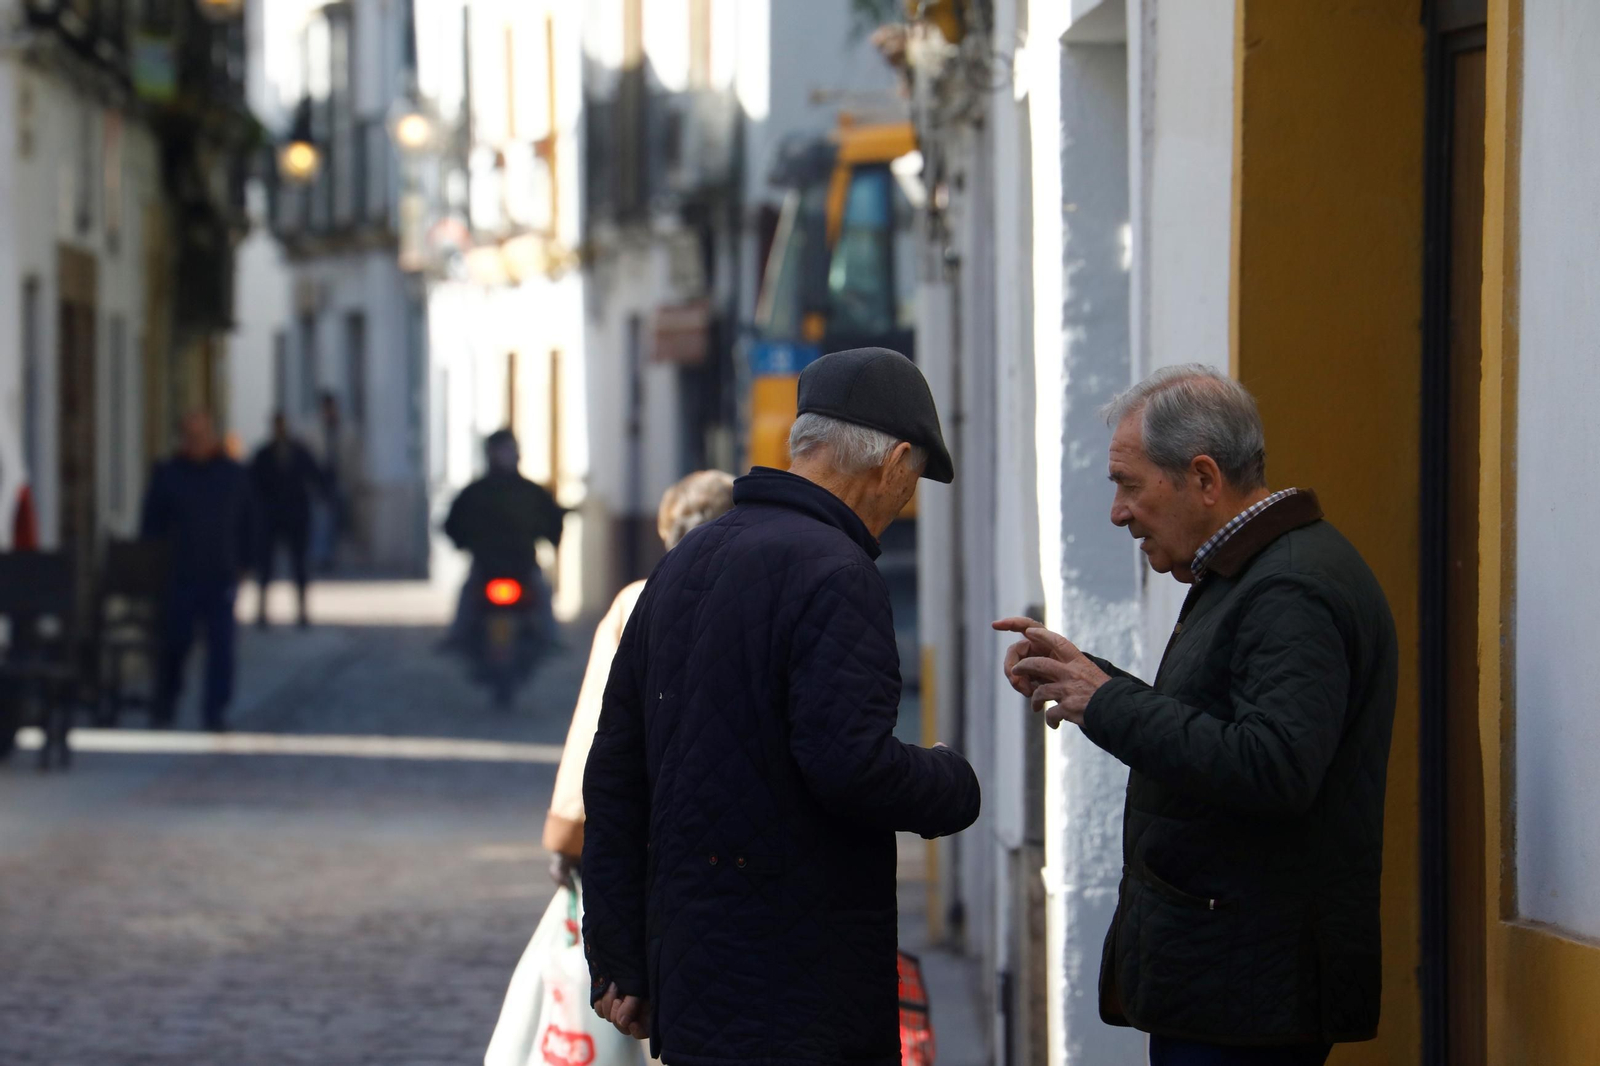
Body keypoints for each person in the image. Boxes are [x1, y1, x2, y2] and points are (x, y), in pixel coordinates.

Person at [583, 347, 982, 1064]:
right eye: (915, 477)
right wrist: (951, 781)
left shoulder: (684, 560)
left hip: (692, 979)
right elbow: (849, 765)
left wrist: (619, 958)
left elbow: (614, 771)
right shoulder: (838, 571)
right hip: (799, 989)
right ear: (894, 462)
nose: (906, 499)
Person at [996, 365, 1399, 1066]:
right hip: (1233, 981)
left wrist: (1109, 701)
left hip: (1248, 992)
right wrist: (1089, 679)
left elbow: (1274, 765)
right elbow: (1213, 726)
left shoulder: (1289, 586)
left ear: (1204, 478)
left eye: (1129, 485)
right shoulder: (1255, 572)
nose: (1118, 513)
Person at [544, 469, 737, 885]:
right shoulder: (763, 601)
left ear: (668, 534)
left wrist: (569, 833)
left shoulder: (635, 602)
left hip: (648, 826)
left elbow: (597, 721)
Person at [141, 412, 255, 732]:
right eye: (191, 437)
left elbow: (249, 521)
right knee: (174, 644)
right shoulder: (169, 474)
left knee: (221, 648)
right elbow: (150, 526)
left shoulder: (232, 474)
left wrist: (245, 564)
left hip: (220, 574)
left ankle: (215, 712)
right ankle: (165, 705)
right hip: (179, 575)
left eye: (202, 436)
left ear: (212, 436)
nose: (197, 443)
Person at [442, 429, 565, 653]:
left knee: (542, 592)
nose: (505, 456)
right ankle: (457, 638)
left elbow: (552, 519)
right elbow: (453, 523)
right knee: (468, 594)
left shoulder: (531, 492)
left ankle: (551, 640)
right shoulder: (475, 492)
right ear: (490, 454)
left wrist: (550, 535)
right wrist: (465, 542)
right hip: (487, 566)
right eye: (500, 450)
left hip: (523, 565)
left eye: (509, 450)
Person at [249, 413, 324, 627]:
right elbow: (252, 484)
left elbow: (315, 475)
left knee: (299, 565)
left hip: (295, 515)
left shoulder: (299, 452)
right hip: (271, 516)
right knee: (266, 567)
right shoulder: (264, 454)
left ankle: (302, 612)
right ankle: (262, 612)